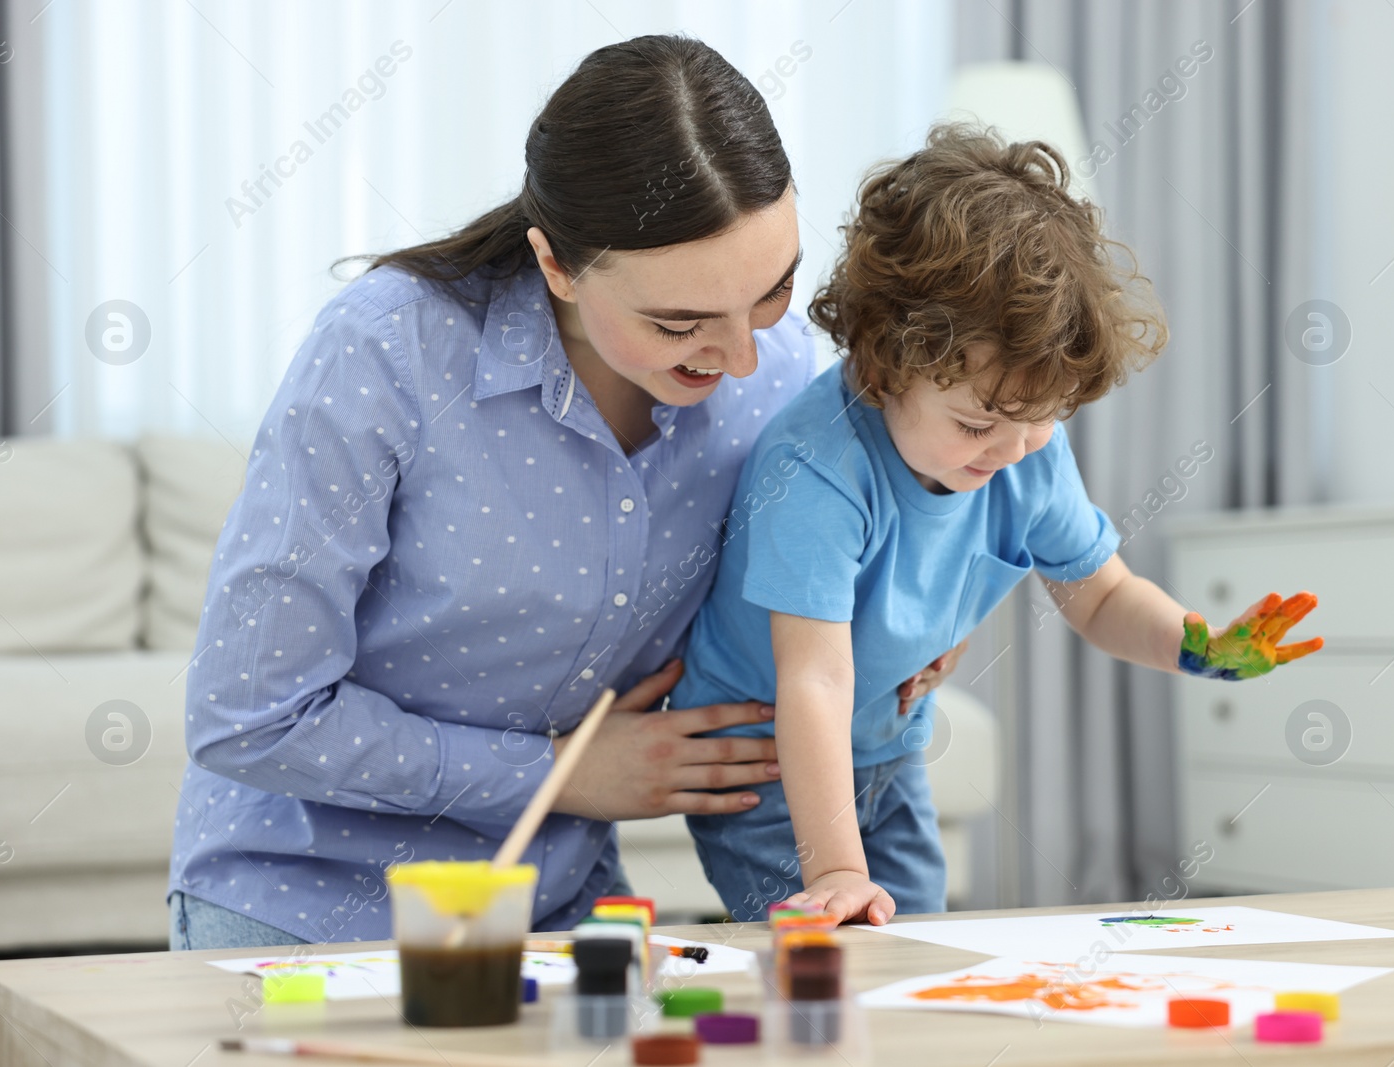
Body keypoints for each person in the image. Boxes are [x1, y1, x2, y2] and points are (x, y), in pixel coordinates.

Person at [166, 35, 962, 950]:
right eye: (679, 322)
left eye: (774, 291)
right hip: (302, 898)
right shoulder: (386, 352)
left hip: (562, 899)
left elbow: (827, 573)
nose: (743, 356)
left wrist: (923, 619)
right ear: (557, 267)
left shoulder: (778, 373)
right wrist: (554, 773)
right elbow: (247, 715)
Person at [675, 124, 1324, 925]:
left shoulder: (1021, 448)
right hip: (767, 765)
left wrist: (1194, 641)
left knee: (916, 948)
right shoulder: (814, 472)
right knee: (826, 960)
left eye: (1042, 418)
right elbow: (814, 679)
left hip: (888, 744)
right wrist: (839, 866)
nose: (1012, 450)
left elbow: (1100, 595)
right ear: (884, 368)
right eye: (978, 423)